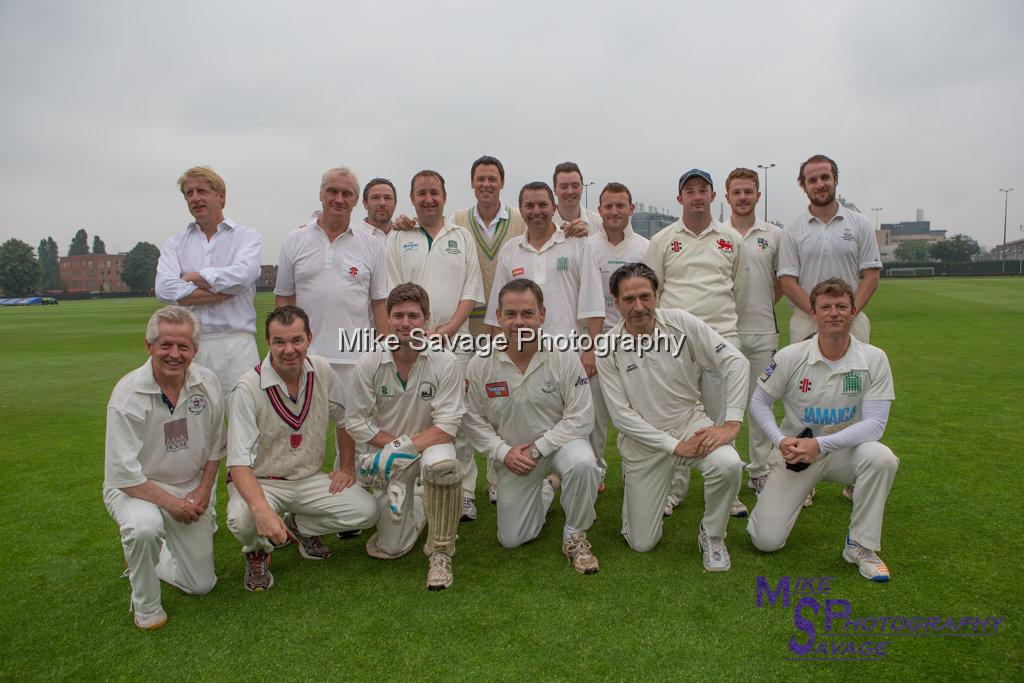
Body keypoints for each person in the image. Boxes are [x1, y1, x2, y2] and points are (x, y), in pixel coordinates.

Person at [595, 263, 747, 570]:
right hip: (644, 444)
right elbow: (622, 417)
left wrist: (731, 423)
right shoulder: (607, 346)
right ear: (615, 301)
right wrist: (674, 447)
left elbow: (736, 361)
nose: (639, 307)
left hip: (689, 423)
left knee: (729, 464)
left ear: (656, 295)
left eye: (645, 296)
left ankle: (713, 535)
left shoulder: (681, 323)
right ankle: (643, 503)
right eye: (628, 299)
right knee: (642, 543)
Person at [746, 278, 898, 582]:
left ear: (854, 312)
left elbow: (876, 424)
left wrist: (822, 444)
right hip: (796, 454)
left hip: (843, 451)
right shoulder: (790, 356)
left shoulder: (873, 358)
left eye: (842, 306)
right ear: (812, 314)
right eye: (825, 307)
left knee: (882, 458)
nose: (834, 313)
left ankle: (861, 547)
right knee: (766, 542)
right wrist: (779, 439)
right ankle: (786, 501)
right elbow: (758, 402)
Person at [225, 306, 378, 592]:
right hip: (263, 482)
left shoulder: (320, 368)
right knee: (244, 519)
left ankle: (300, 527)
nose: (289, 349)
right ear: (267, 342)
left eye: (297, 340)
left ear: (310, 337)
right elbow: (237, 461)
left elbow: (345, 418)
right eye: (279, 341)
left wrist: (346, 467)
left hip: (309, 478)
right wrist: (261, 510)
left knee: (367, 511)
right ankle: (258, 550)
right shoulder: (247, 387)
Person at [464, 279, 601, 573]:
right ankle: (548, 488)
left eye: (527, 313)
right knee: (512, 539)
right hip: (514, 457)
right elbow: (472, 419)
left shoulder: (563, 355)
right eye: (510, 314)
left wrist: (540, 448)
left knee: (584, 463)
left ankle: (575, 534)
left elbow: (580, 417)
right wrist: (502, 452)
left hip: (559, 446)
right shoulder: (480, 362)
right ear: (498, 317)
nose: (518, 322)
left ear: (542, 315)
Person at [103, 305, 223, 630]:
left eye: (183, 346)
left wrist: (202, 492)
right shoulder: (127, 395)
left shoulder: (208, 384)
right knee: (144, 528)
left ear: (195, 350)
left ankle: (151, 559)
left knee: (201, 585)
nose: (174, 354)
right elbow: (124, 476)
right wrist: (172, 505)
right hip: (137, 489)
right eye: (166, 344)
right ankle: (146, 606)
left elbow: (215, 448)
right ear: (149, 346)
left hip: (189, 486)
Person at [346, 284, 466, 590]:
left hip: (428, 449)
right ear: (387, 318)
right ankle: (422, 504)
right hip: (386, 454)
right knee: (392, 546)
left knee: (443, 465)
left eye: (413, 315)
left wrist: (404, 447)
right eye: (398, 315)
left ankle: (440, 552)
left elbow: (448, 425)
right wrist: (394, 449)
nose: (405, 322)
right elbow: (355, 421)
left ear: (426, 319)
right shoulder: (368, 363)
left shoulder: (445, 362)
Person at [645, 169, 748, 518]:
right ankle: (673, 490)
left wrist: (726, 331)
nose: (697, 196)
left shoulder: (731, 239)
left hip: (721, 340)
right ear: (680, 198)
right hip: (677, 344)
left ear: (712, 195)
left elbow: (741, 292)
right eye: (690, 191)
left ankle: (728, 490)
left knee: (721, 419)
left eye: (703, 190)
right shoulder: (662, 240)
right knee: (676, 418)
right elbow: (652, 294)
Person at [275, 167, 389, 481]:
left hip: (355, 355)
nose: (338, 199)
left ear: (356, 201)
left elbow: (379, 303)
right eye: (332, 192)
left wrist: (386, 350)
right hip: (303, 355)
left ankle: (350, 489)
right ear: (321, 194)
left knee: (353, 426)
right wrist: (281, 349)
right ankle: (297, 495)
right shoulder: (294, 240)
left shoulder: (371, 244)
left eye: (346, 194)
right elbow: (284, 300)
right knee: (298, 430)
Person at [383, 170, 485, 522]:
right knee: (416, 414)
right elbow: (394, 293)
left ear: (445, 195)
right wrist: (415, 332)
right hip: (409, 343)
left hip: (455, 343)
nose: (428, 198)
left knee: (460, 417)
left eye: (434, 192)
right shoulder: (399, 237)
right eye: (421, 193)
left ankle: (466, 491)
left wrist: (449, 328)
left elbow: (471, 291)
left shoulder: (462, 236)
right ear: (412, 198)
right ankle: (417, 488)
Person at [155, 166, 262, 391]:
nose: (195, 198)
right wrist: (220, 293)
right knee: (195, 420)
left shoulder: (247, 237)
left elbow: (242, 276)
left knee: (243, 420)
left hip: (237, 344)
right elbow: (164, 288)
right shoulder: (175, 243)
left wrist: (194, 277)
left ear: (221, 196)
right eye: (189, 193)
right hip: (191, 346)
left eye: (201, 191)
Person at [486, 181, 605, 375]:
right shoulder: (510, 250)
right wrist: (499, 354)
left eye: (542, 205)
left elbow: (593, 300)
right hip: (522, 357)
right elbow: (496, 312)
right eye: (529, 206)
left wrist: (592, 350)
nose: (536, 211)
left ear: (554, 208)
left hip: (569, 354)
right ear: (521, 211)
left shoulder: (577, 244)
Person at [724, 168, 784, 497]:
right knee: (724, 407)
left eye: (749, 191)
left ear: (758, 195)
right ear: (728, 196)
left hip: (763, 332)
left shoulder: (774, 234)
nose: (743, 197)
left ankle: (759, 471)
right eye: (737, 192)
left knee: (760, 404)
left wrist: (760, 304)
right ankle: (728, 471)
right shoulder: (717, 233)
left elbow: (782, 282)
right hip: (724, 333)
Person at [778, 154, 882, 344]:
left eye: (825, 177)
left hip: (852, 319)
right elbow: (787, 283)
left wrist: (848, 313)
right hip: (806, 321)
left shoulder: (861, 223)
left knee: (854, 373)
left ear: (835, 179)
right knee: (806, 374)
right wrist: (817, 313)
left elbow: (871, 277)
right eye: (812, 180)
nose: (820, 184)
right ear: (804, 186)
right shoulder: (791, 229)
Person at [588, 182, 649, 484]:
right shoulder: (587, 246)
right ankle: (597, 471)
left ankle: (635, 473)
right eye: (608, 206)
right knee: (595, 417)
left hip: (636, 344)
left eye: (620, 205)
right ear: (599, 210)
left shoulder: (644, 247)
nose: (614, 211)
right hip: (598, 345)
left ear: (631, 208)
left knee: (637, 413)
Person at [552, 161, 602, 235]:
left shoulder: (599, 223)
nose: (570, 192)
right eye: (564, 187)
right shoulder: (544, 224)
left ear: (582, 188)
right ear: (555, 190)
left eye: (575, 186)